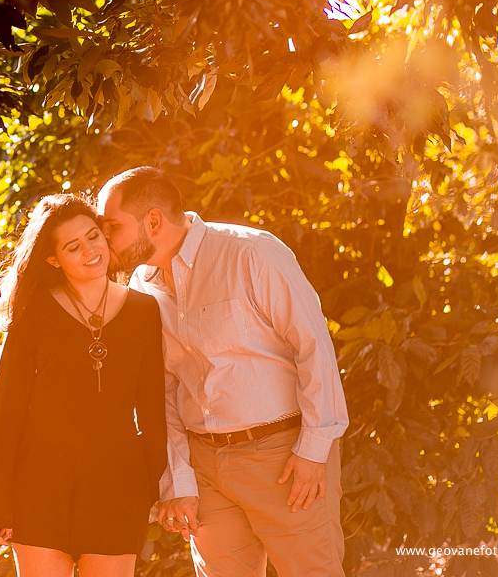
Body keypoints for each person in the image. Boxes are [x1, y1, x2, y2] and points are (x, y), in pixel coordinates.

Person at [97, 167, 349, 577]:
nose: (104, 238)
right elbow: (162, 391)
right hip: (206, 468)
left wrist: (313, 450)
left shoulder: (251, 253)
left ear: (154, 220)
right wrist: (179, 483)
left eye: (112, 226)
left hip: (283, 458)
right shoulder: (141, 289)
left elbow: (313, 346)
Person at [0, 193, 167, 577]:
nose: (90, 251)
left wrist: (151, 485)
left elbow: (153, 409)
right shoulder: (34, 314)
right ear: (53, 258)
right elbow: (6, 411)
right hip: (39, 483)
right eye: (72, 247)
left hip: (116, 483)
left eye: (94, 236)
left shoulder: (145, 312)